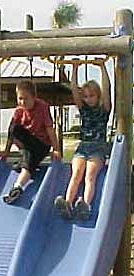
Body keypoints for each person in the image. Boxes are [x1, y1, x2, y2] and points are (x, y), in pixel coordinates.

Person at [55, 59, 111, 220]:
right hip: (82, 148)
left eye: (91, 96)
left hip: (98, 148)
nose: (88, 99)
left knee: (90, 176)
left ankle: (86, 205)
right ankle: (68, 203)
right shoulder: (83, 109)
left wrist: (102, 68)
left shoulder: (104, 109)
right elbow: (74, 90)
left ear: (98, 96)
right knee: (76, 174)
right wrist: (74, 69)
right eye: (85, 96)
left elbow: (107, 89)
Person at [0, 80, 61, 204]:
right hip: (28, 145)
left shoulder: (42, 107)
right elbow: (11, 133)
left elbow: (50, 129)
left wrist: (56, 149)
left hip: (41, 144)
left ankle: (17, 187)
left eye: (26, 99)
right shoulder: (18, 111)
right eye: (20, 98)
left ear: (34, 97)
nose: (23, 102)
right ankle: (20, 178)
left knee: (28, 164)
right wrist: (6, 151)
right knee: (14, 128)